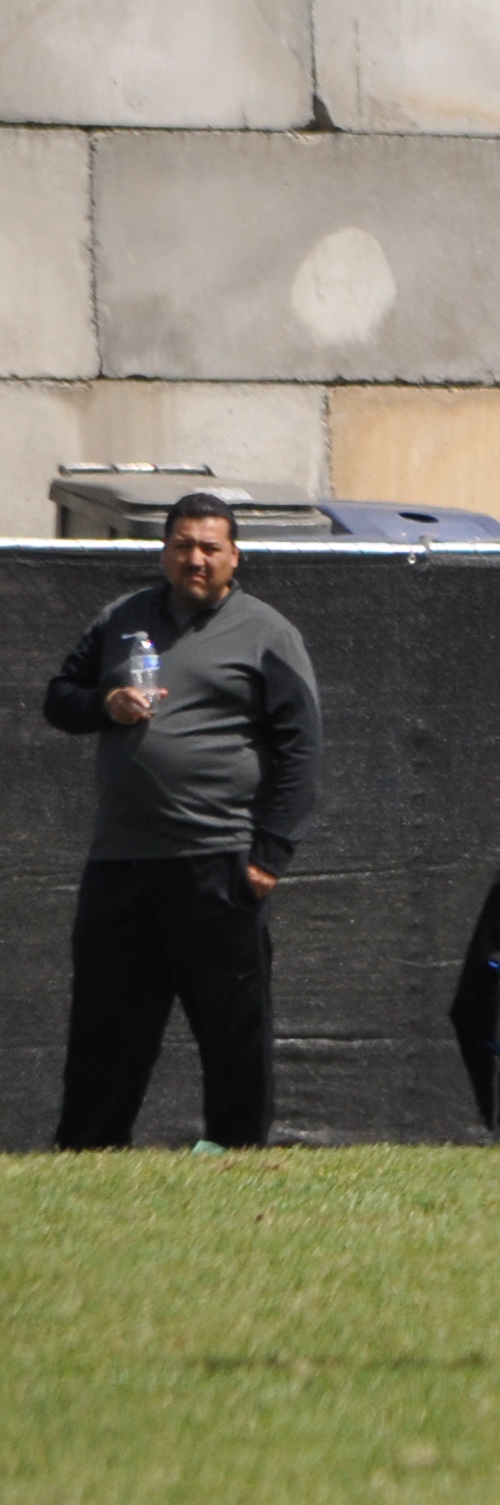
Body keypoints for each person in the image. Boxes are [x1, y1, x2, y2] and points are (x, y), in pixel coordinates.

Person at [44, 492, 320, 1151]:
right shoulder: (121, 618)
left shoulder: (266, 632)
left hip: (217, 858)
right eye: (182, 546)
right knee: (107, 1023)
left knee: (231, 1024)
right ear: (164, 552)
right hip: (122, 861)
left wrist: (268, 855)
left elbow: (301, 748)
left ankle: (235, 1150)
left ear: (234, 558)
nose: (194, 559)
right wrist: (105, 704)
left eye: (209, 548)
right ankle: (88, 1153)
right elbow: (59, 698)